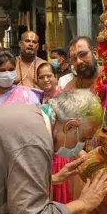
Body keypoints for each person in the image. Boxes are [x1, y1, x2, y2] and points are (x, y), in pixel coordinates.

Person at [37, 63, 72, 204]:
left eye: (49, 76)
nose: (45, 80)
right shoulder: (36, 99)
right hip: (41, 155)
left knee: (59, 195)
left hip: (59, 154)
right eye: (41, 77)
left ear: (56, 77)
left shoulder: (64, 98)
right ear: (37, 81)